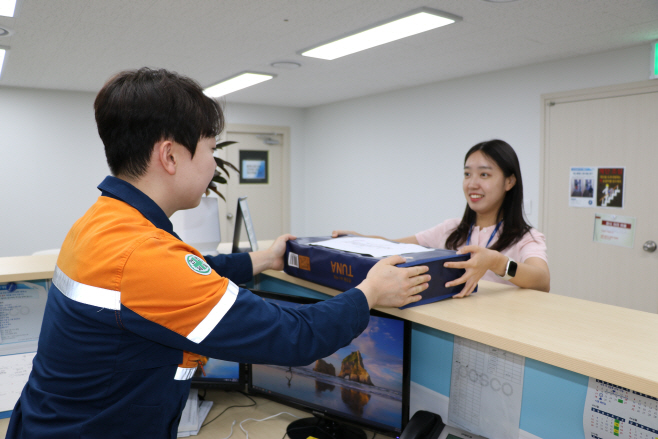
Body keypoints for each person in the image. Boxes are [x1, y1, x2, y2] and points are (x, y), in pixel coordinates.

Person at [7, 68, 431, 439]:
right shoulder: (141, 253)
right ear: (170, 155)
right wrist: (370, 291)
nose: (213, 164)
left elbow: (184, 275)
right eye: (211, 148)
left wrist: (261, 260)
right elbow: (295, 335)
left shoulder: (103, 223)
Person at [333, 139, 550, 297]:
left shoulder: (525, 237)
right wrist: (360, 238)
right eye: (467, 174)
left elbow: (542, 280)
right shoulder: (451, 229)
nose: (472, 183)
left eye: (484, 174)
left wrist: (496, 261)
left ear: (509, 182)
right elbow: (396, 245)